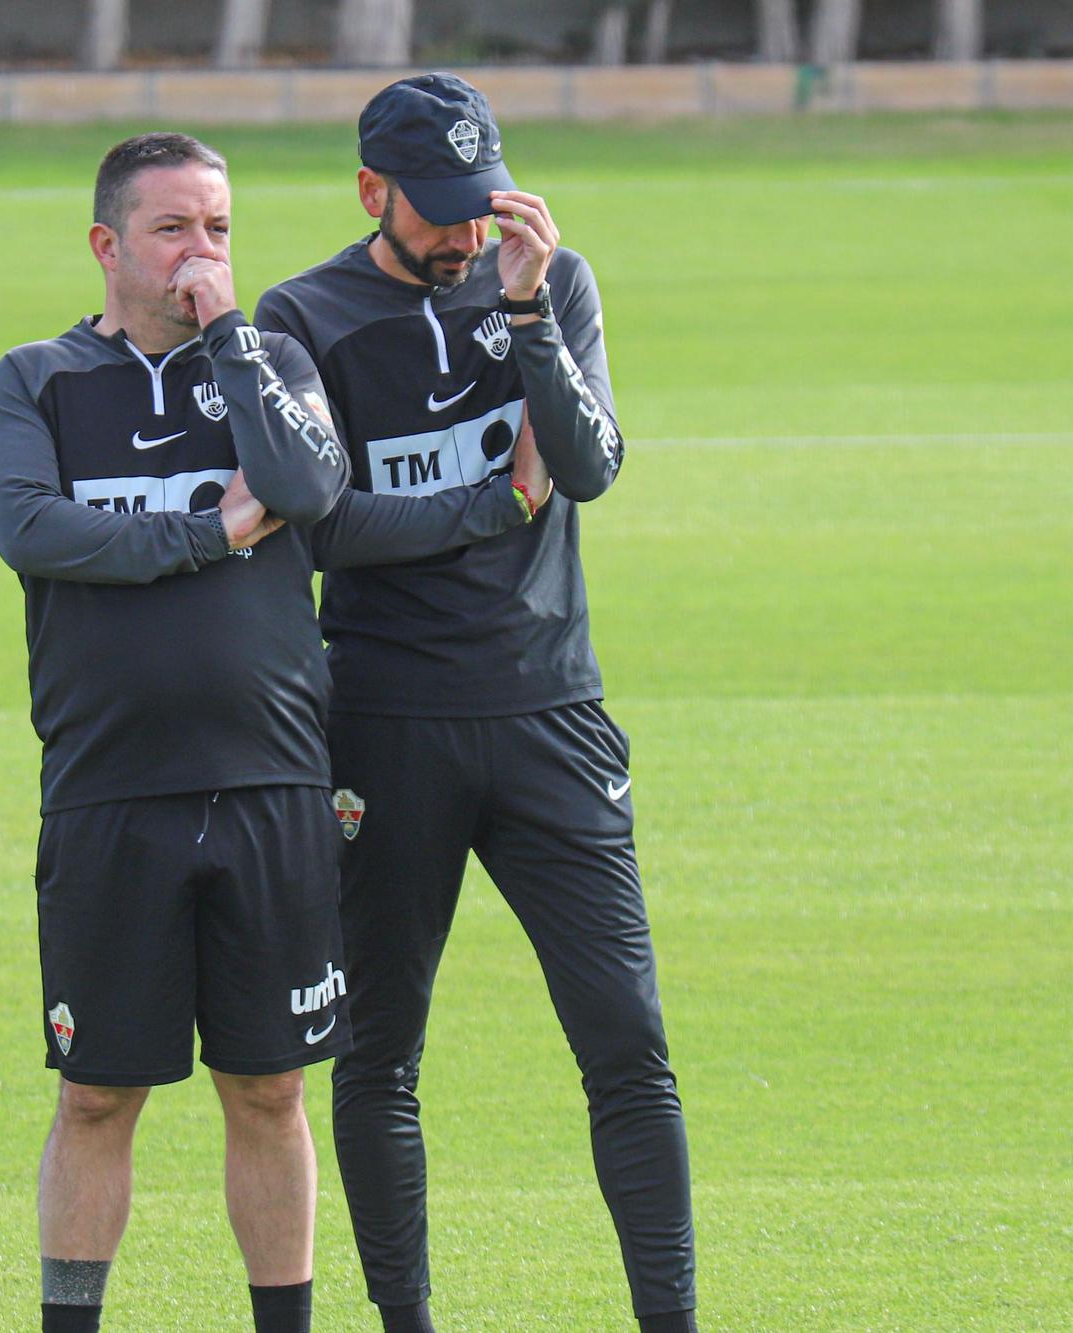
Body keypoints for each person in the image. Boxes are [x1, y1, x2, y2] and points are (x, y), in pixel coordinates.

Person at [0, 132, 546, 1333]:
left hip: (275, 783)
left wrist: (232, 341)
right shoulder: (36, 380)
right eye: (174, 228)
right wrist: (203, 533)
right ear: (107, 244)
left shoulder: (271, 358)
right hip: (108, 788)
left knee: (270, 1087)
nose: (201, 252)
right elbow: (33, 531)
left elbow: (301, 488)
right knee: (94, 1096)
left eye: (220, 229)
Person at [254, 74, 695, 1333]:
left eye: (478, 204)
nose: (462, 232)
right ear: (369, 193)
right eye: (437, 212)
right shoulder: (306, 316)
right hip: (383, 727)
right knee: (379, 1052)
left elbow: (594, 467)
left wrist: (526, 315)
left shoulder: (550, 280)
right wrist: (490, 506)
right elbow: (325, 521)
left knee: (626, 1042)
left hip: (551, 713)